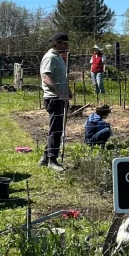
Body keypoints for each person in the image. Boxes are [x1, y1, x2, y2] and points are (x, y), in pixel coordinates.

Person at [39, 32, 71, 172]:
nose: (66, 45)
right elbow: (46, 77)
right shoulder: (50, 57)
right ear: (56, 43)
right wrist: (60, 94)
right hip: (53, 98)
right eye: (64, 43)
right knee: (56, 130)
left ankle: (45, 158)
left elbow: (61, 77)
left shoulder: (59, 57)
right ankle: (52, 160)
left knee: (56, 128)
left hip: (59, 97)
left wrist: (67, 91)